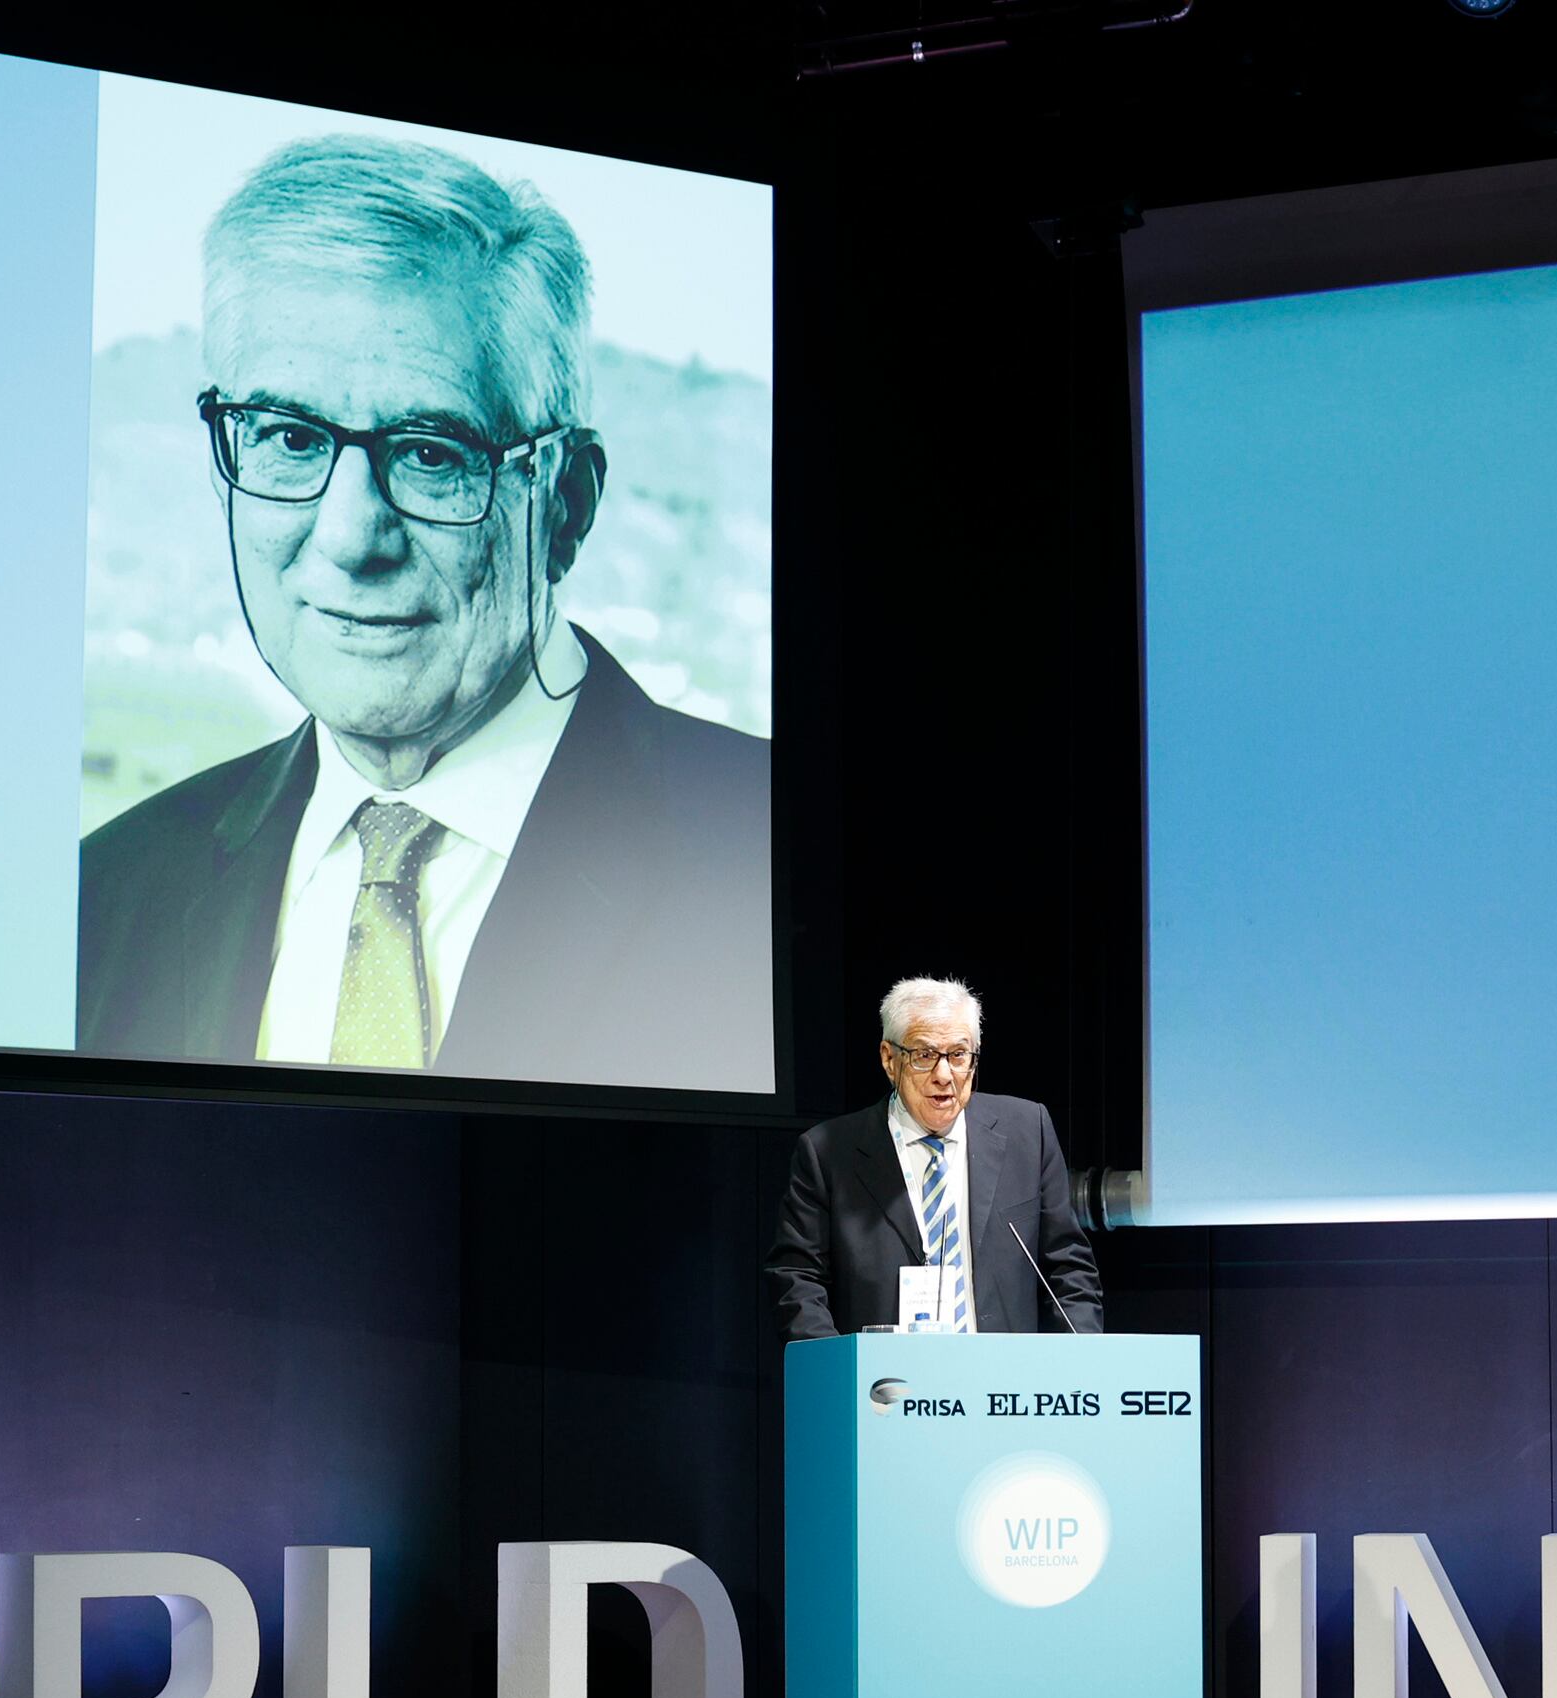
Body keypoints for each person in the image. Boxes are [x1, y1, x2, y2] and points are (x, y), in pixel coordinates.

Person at [77, 132, 768, 1092]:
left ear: (565, 503)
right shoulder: (104, 896)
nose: (352, 536)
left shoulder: (766, 863)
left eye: (432, 453)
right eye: (286, 436)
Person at [767, 976, 1104, 1339]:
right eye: (925, 1056)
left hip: (1002, 1386)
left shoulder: (1027, 1132)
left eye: (959, 1055)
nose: (944, 1076)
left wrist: (1078, 1368)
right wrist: (839, 1373)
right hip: (883, 1387)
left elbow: (1069, 1268)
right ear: (889, 1059)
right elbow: (798, 1278)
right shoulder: (829, 1152)